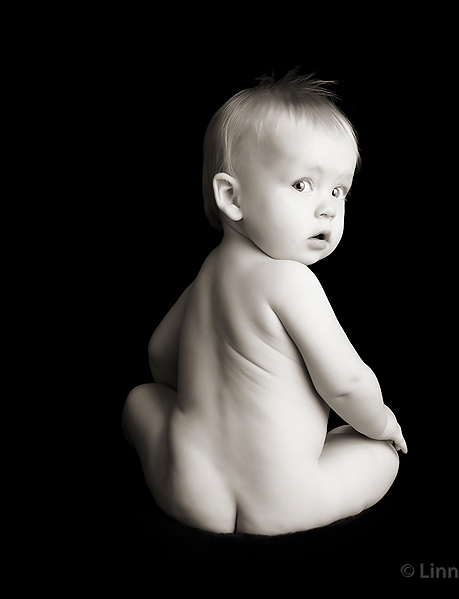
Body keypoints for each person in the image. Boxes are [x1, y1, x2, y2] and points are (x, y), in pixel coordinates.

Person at [122, 71, 407, 536]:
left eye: (339, 191)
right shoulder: (292, 280)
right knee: (379, 453)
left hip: (190, 492)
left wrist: (203, 402)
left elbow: (159, 354)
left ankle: (197, 470)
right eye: (302, 185)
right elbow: (347, 383)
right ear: (231, 197)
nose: (328, 208)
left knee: (141, 398)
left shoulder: (209, 272)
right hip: (285, 501)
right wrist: (381, 423)